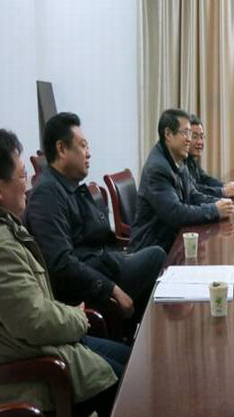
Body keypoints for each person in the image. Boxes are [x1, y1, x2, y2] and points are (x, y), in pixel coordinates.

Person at [0, 128, 128, 417]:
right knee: (132, 390)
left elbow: (31, 309)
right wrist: (77, 318)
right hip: (26, 375)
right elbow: (34, 321)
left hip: (36, 349)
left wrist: (69, 316)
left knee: (131, 363)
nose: (27, 185)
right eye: (23, 176)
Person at [25, 113, 166, 331]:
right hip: (87, 285)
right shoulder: (47, 194)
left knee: (156, 258)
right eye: (83, 146)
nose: (88, 153)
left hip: (104, 264)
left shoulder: (67, 185)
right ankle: (138, 333)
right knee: (156, 256)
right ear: (61, 149)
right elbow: (61, 263)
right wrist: (112, 289)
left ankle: (139, 331)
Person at [130, 108, 234, 252]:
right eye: (185, 133)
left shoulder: (178, 159)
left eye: (190, 134)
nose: (189, 139)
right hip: (153, 249)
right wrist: (214, 210)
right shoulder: (157, 169)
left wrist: (219, 203)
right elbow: (176, 213)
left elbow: (193, 195)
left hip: (172, 240)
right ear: (168, 134)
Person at [185, 114, 234, 201]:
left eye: (201, 137)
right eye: (195, 137)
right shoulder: (181, 160)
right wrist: (222, 191)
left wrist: (224, 185)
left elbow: (204, 179)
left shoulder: (191, 159)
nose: (200, 142)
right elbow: (194, 189)